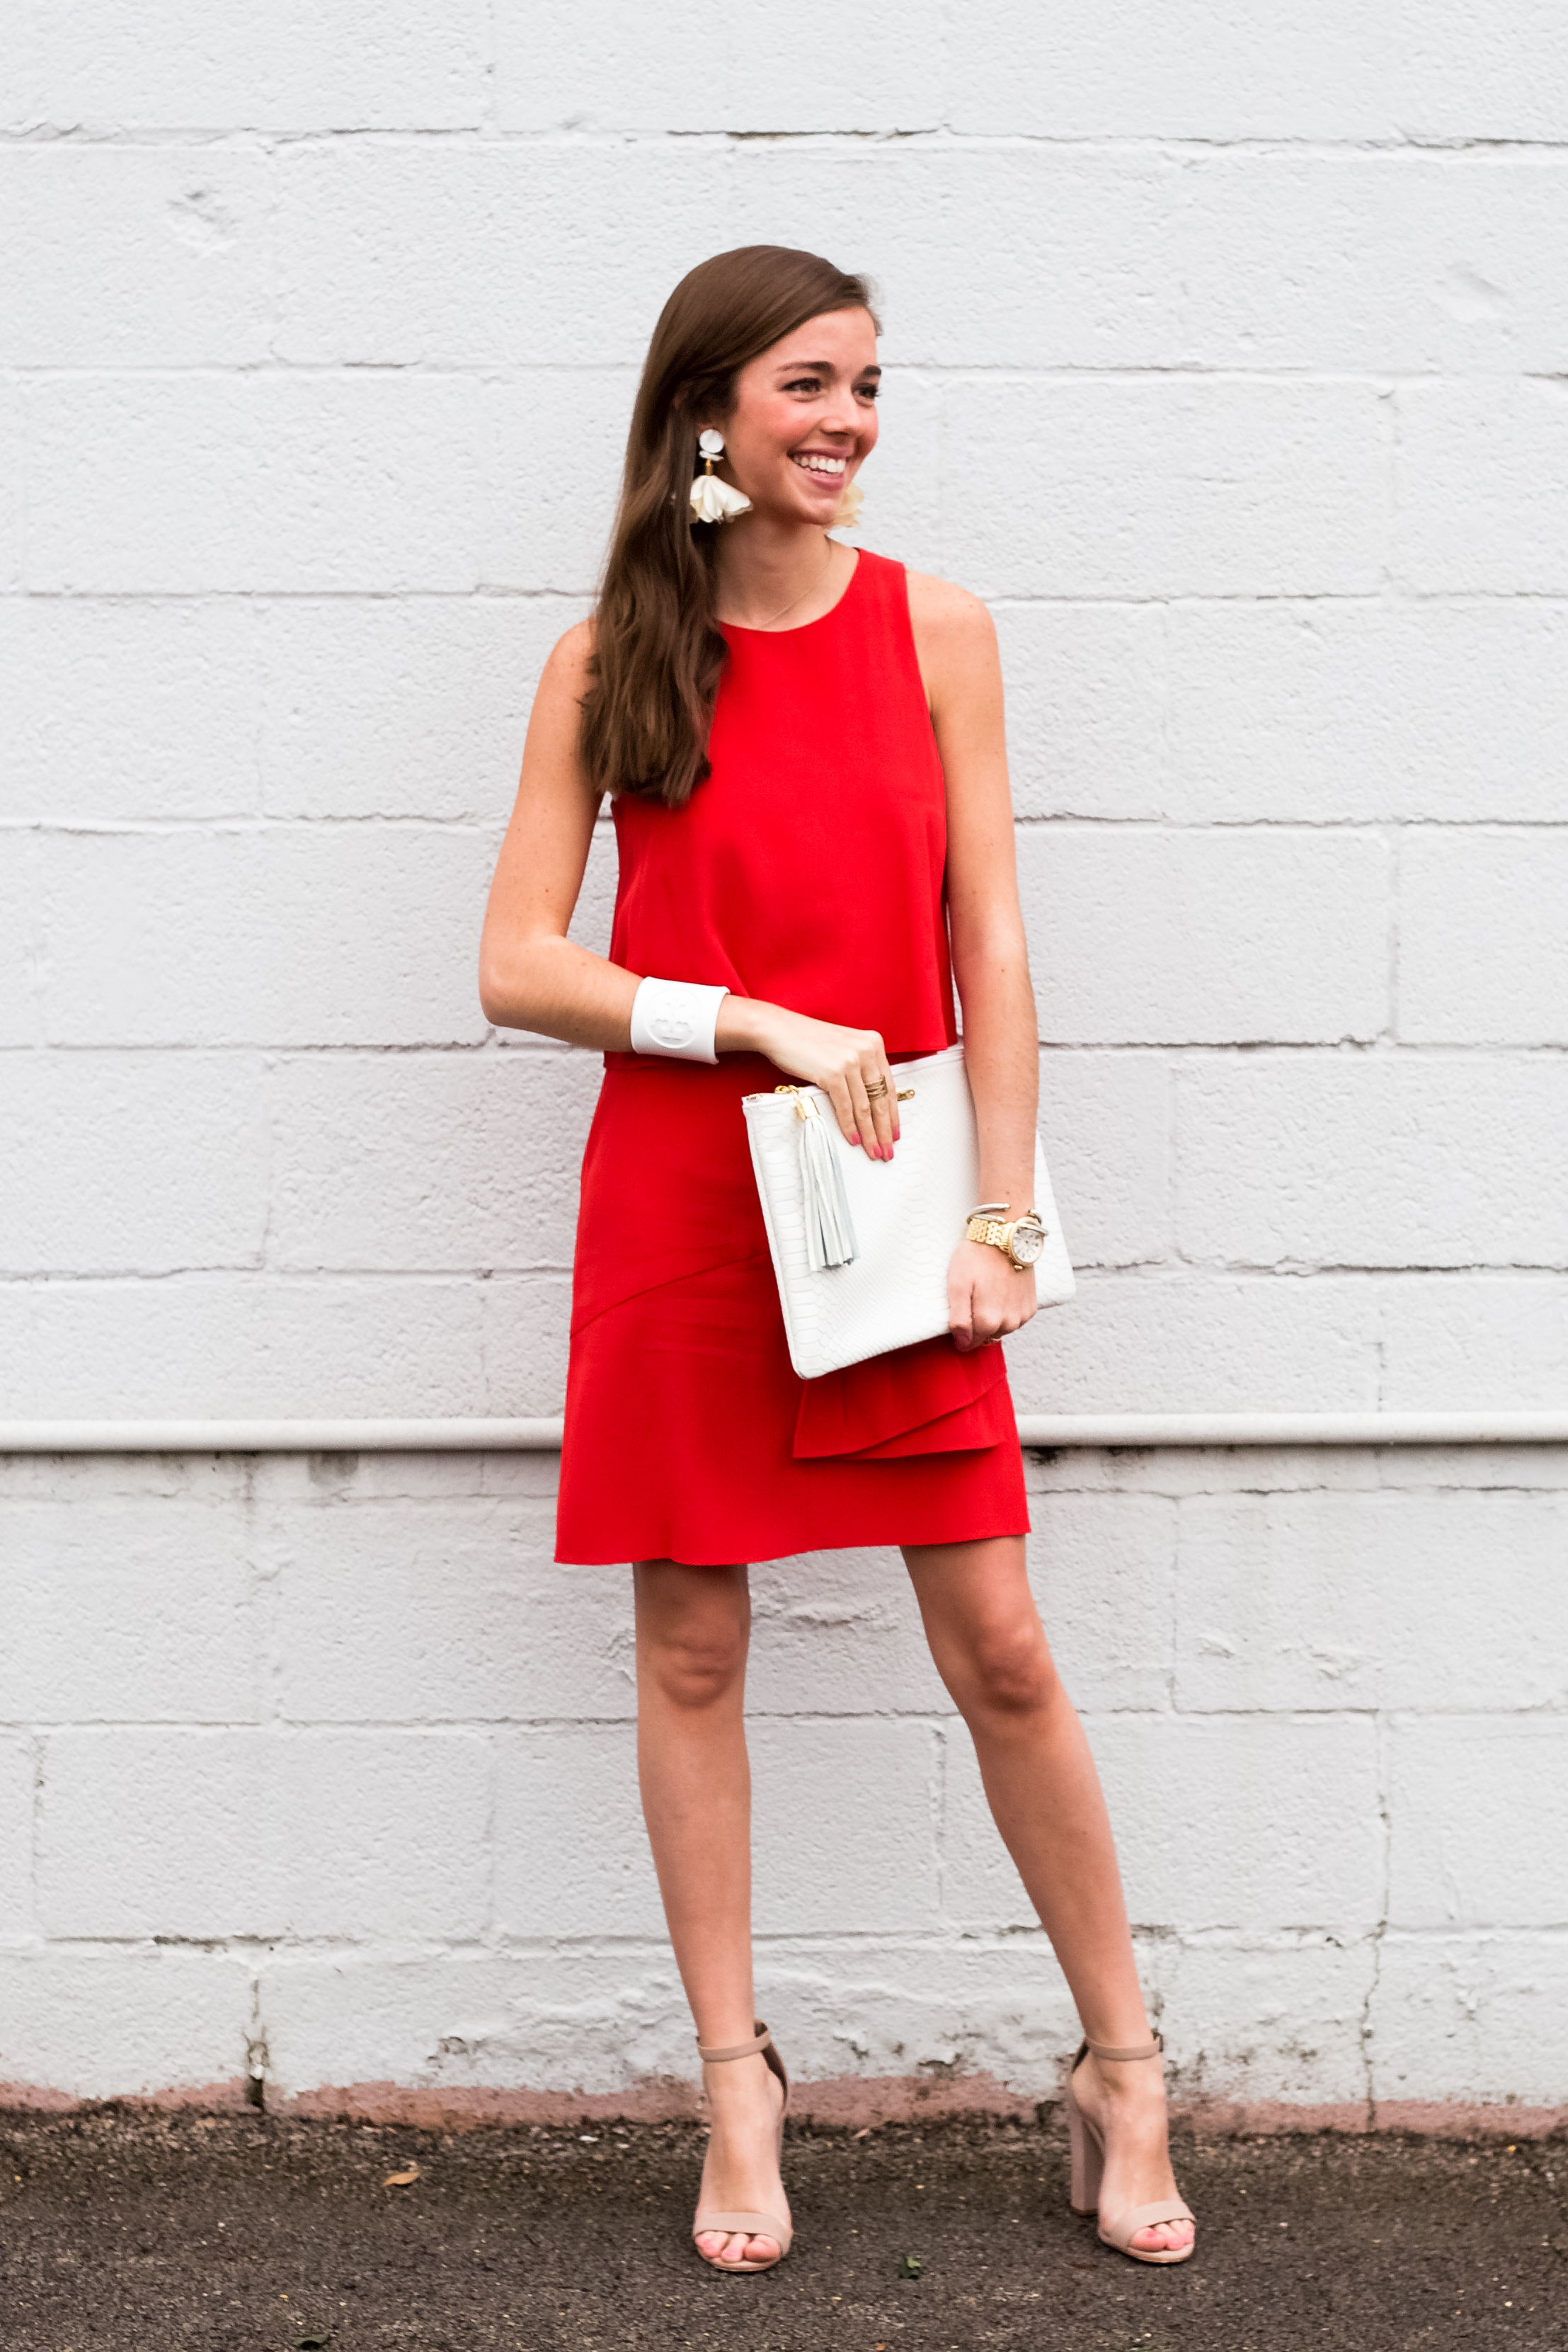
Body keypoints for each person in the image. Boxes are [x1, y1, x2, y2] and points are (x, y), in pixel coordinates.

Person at [478, 245, 1195, 2275]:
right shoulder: (612, 655)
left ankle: (1123, 2067)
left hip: (901, 1212)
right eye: (808, 382)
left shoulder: (939, 630)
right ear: (709, 408)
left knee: (1007, 1647)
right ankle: (738, 2081)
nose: (848, 421)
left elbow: (993, 948)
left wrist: (1006, 1214)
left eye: (870, 385)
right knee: (694, 1647)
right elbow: (518, 960)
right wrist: (747, 1017)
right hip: (691, 1205)